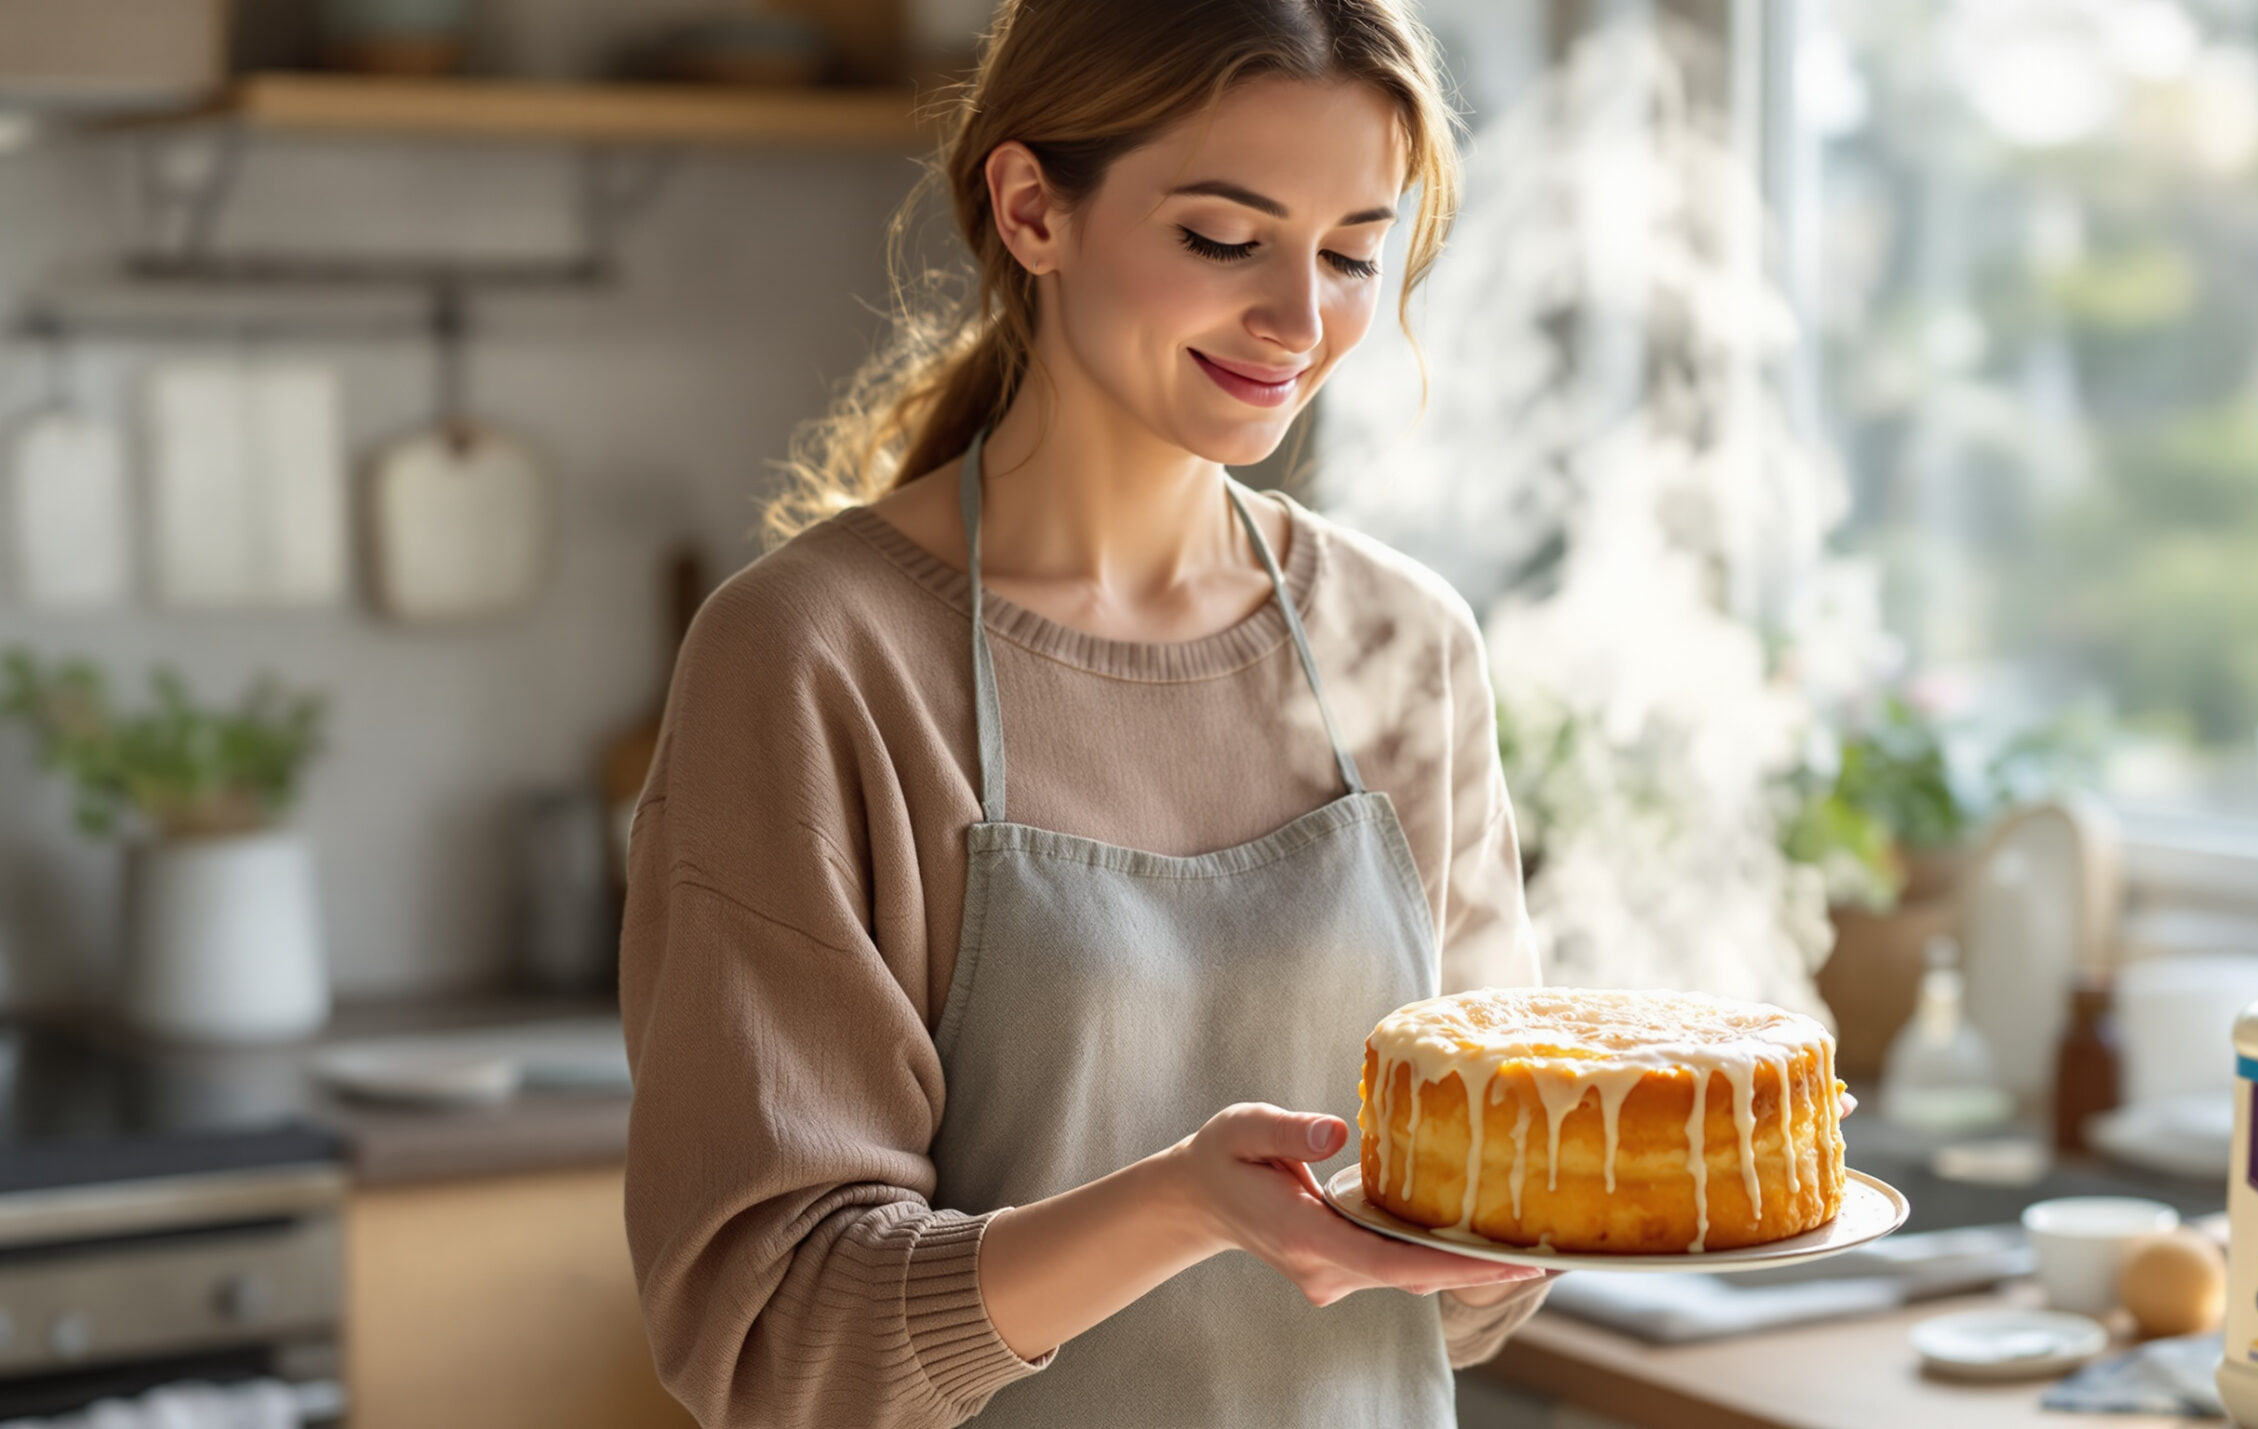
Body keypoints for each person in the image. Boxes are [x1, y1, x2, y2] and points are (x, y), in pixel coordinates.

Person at [618, 2, 1556, 1424]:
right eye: (1224, 239)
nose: (1302, 322)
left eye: (1353, 254)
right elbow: (776, 1339)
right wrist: (1185, 1205)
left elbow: (1478, 1278)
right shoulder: (814, 658)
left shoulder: (1403, 643)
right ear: (1032, 209)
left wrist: (1556, 1192)